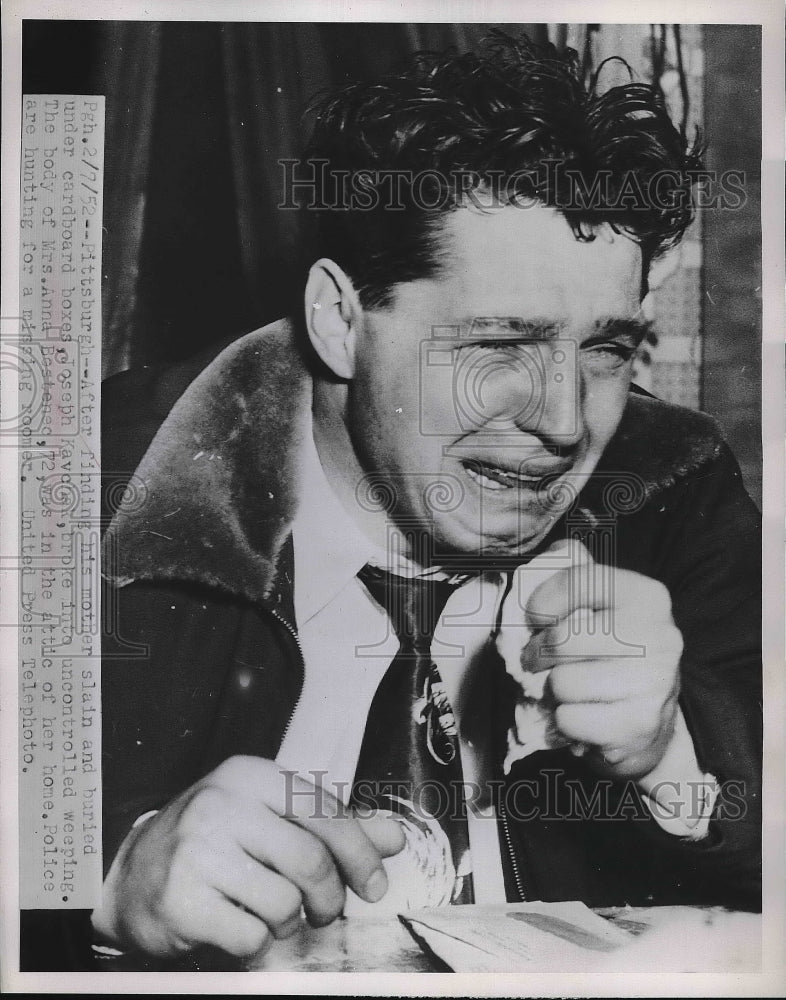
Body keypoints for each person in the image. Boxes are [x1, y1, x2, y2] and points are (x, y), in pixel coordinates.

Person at [93, 34, 761, 965]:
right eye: (498, 347)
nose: (565, 422)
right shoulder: (75, 493)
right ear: (340, 320)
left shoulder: (671, 488)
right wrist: (105, 883)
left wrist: (673, 762)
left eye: (605, 349)